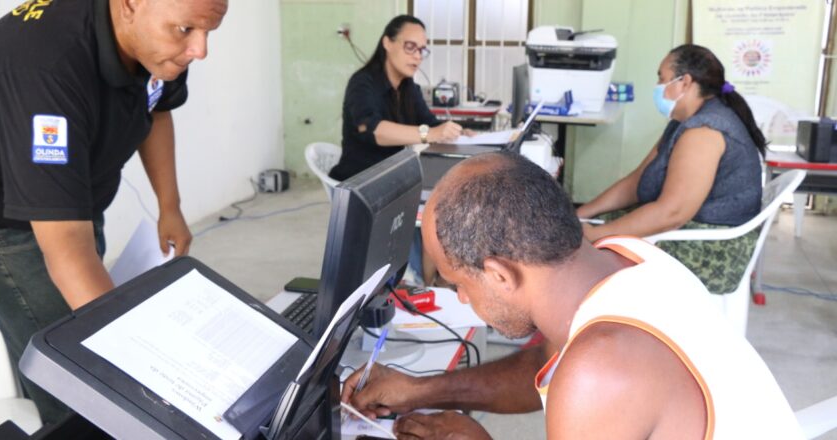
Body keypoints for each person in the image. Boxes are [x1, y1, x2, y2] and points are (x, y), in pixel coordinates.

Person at [342, 152, 803, 439]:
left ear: (500, 275)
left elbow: (582, 371)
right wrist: (423, 390)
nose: (462, 300)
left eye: (458, 284)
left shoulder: (597, 371)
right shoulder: (625, 257)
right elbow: (545, 363)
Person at [0, 0, 227, 425]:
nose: (200, 50)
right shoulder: (48, 64)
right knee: (81, 384)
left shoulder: (161, 36)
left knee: (83, 344)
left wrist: (170, 207)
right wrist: (134, 357)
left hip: (75, 201)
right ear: (130, 5)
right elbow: (66, 248)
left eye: (209, 31)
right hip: (14, 229)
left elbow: (156, 107)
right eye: (187, 31)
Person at [576, 44, 764, 293]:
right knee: (586, 235)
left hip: (711, 250)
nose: (657, 86)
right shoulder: (683, 121)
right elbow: (636, 181)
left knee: (587, 256)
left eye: (662, 78)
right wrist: (581, 214)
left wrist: (597, 235)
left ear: (685, 82)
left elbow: (672, 213)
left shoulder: (704, 132)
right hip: (690, 231)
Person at [328, 14, 466, 181]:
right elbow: (373, 130)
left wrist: (459, 132)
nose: (417, 56)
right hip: (360, 180)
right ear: (387, 43)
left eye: (422, 50)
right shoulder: (362, 83)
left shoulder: (409, 87)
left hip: (393, 175)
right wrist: (430, 134)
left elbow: (431, 123)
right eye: (410, 47)